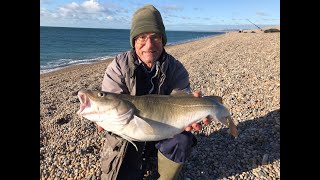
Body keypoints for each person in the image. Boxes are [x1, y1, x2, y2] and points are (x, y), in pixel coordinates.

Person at [98, 4, 211, 180]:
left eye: (155, 37)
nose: (149, 45)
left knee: (183, 139)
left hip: (165, 130)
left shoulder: (176, 69)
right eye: (142, 37)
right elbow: (112, 103)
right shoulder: (118, 66)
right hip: (130, 134)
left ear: (163, 40)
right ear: (134, 41)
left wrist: (195, 108)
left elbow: (181, 98)